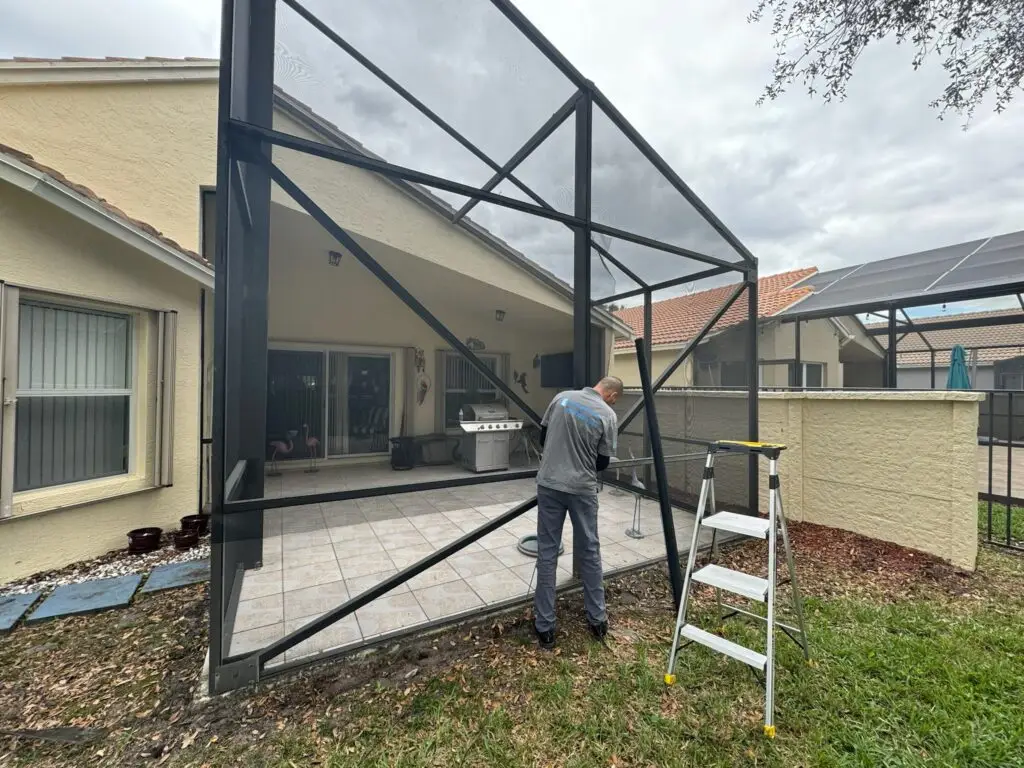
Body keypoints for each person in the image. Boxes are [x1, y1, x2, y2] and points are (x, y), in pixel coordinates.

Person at [533, 375, 623, 649]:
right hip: (582, 489)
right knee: (590, 552)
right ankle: (597, 620)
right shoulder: (607, 415)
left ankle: (545, 626)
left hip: (549, 484)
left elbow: (542, 437)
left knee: (547, 553)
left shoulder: (561, 398)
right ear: (613, 395)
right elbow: (602, 461)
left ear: (597, 385)